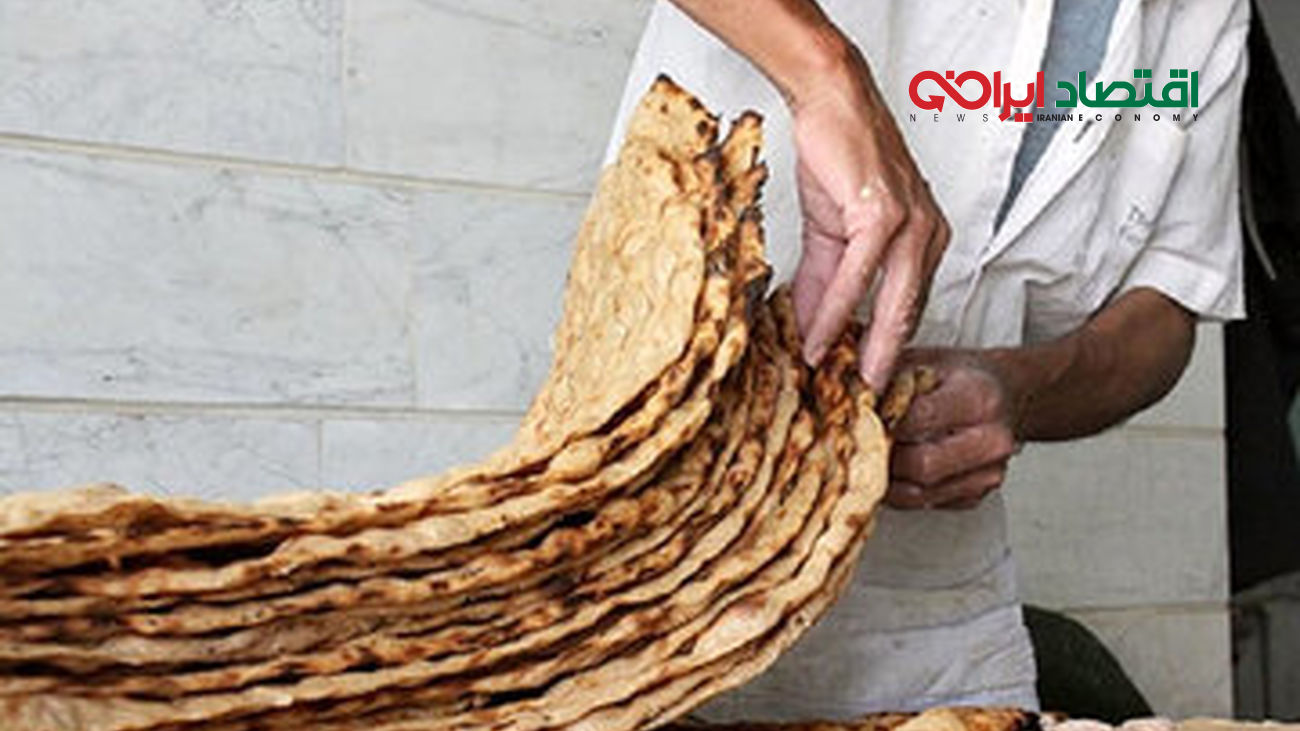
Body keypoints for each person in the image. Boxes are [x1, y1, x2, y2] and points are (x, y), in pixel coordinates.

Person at [603, 0, 1249, 718]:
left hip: (935, 626)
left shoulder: (1206, 15)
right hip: (648, 576)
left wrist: (1020, 392)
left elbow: (1167, 307)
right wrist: (824, 76)